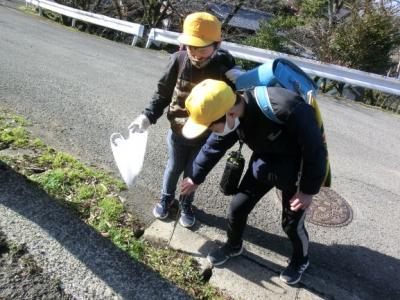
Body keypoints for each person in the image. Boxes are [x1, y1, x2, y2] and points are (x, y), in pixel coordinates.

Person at [180, 79, 327, 285]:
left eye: (211, 127)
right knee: (237, 208)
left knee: (291, 225)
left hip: (296, 172)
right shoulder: (230, 113)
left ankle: (301, 259)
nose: (211, 132)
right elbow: (215, 145)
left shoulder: (286, 107)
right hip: (263, 164)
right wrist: (195, 177)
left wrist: (307, 191)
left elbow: (316, 151)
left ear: (230, 113)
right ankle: (233, 245)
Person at [129, 12, 242, 228]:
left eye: (202, 47)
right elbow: (163, 94)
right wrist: (147, 116)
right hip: (178, 130)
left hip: (207, 133)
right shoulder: (178, 61)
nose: (196, 53)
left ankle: (186, 202)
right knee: (173, 168)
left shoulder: (224, 66)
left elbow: (235, 101)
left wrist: (241, 80)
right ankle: (166, 197)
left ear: (217, 44)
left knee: (193, 172)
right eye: (191, 46)